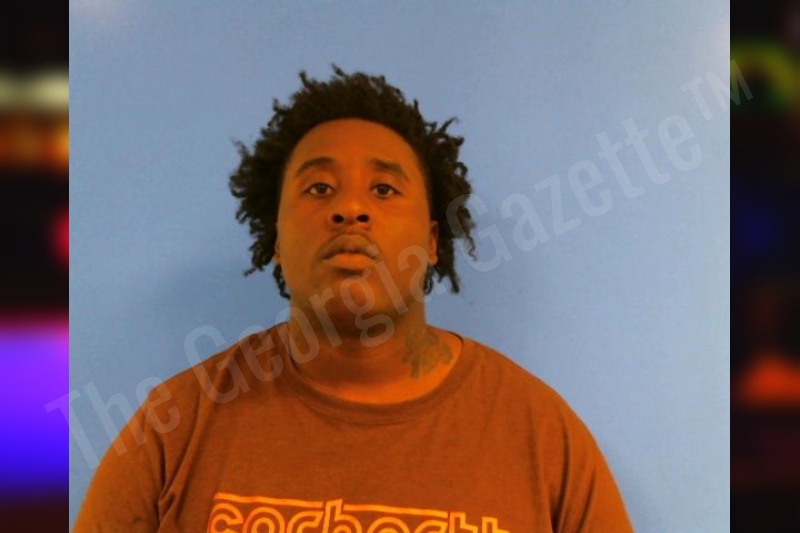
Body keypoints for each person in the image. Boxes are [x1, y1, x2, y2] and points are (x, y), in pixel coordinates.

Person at [73, 65, 634, 532]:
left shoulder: (541, 436)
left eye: (384, 189)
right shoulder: (174, 427)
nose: (350, 210)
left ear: (432, 242)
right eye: (319, 188)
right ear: (276, 240)